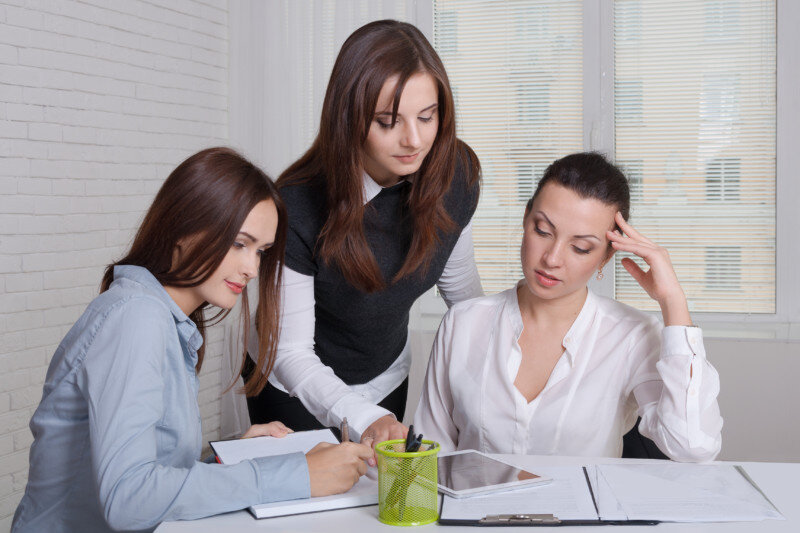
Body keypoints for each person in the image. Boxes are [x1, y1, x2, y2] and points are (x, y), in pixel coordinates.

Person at [12, 148, 374, 533]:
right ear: (184, 228)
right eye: (239, 243)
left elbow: (145, 474)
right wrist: (294, 473)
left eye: (261, 252)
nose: (252, 268)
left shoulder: (163, 319)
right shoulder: (136, 318)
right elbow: (128, 498)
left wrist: (229, 456)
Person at [243, 20, 483, 446]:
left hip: (385, 374)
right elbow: (290, 352)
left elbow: (465, 301)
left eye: (426, 117)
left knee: (372, 506)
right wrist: (360, 416)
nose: (413, 140)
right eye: (388, 122)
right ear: (349, 119)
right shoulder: (297, 204)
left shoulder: (455, 173)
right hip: (291, 385)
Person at [415, 152, 723, 462]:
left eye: (580, 248)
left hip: (583, 512)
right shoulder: (463, 323)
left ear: (605, 256)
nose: (552, 258)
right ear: (525, 219)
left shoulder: (631, 335)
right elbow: (430, 454)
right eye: (542, 231)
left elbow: (691, 446)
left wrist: (673, 301)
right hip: (474, 510)